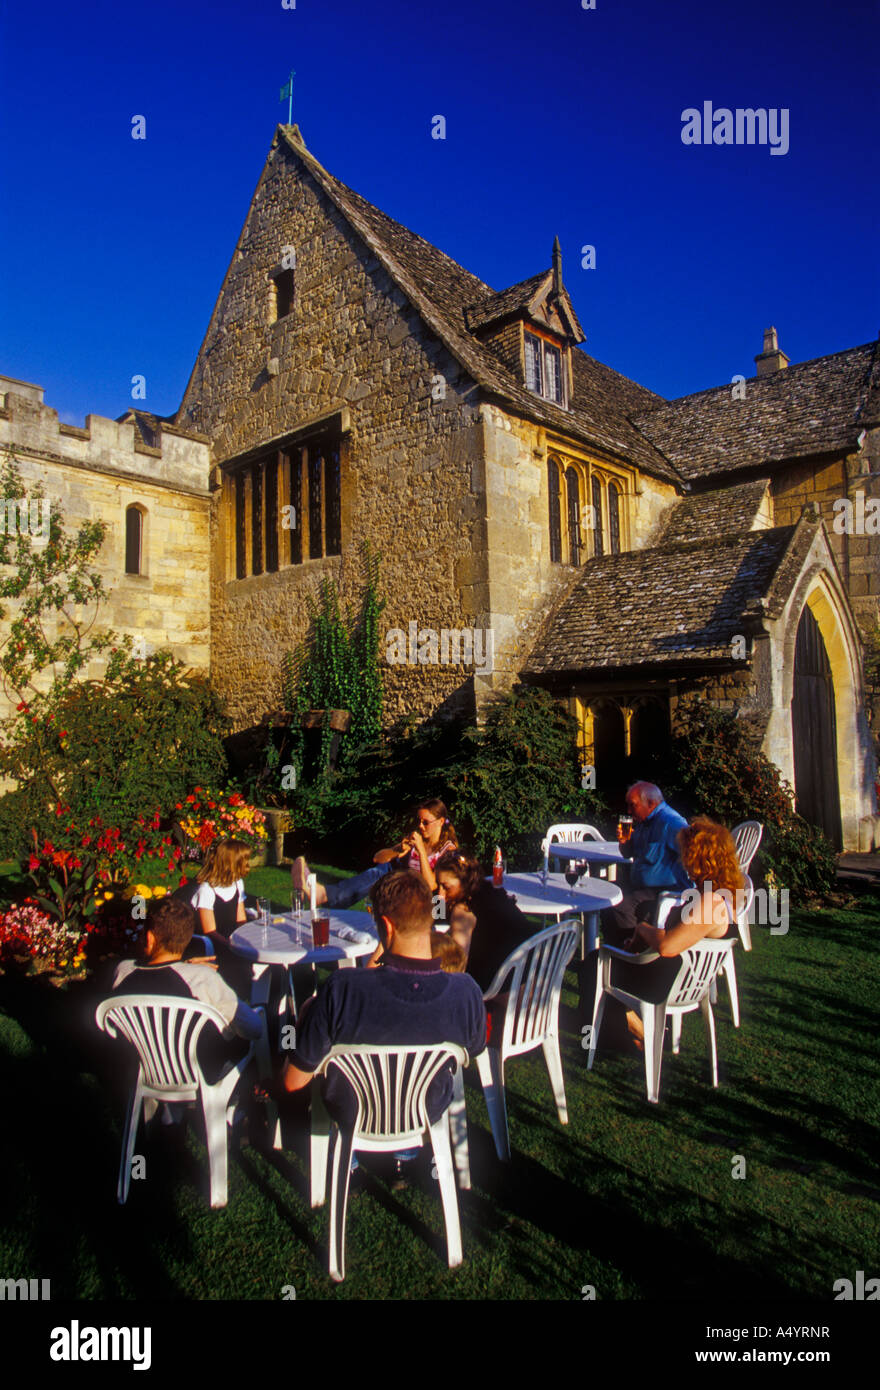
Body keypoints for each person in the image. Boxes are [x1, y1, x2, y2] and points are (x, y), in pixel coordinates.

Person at [282, 871, 486, 1146]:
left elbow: (292, 1082)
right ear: (429, 918)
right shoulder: (466, 991)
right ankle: (405, 1155)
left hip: (353, 1114)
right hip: (426, 1111)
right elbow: (474, 1048)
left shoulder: (342, 988)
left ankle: (348, 1161)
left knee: (288, 1028)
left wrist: (298, 1024)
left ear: (387, 928)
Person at [582, 816, 742, 1048]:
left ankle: (644, 1034)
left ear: (698, 857)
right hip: (685, 977)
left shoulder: (711, 901)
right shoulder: (722, 893)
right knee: (606, 960)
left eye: (685, 853)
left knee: (594, 964)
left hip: (671, 983)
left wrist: (643, 930)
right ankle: (621, 1031)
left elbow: (668, 947)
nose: (681, 859)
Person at [112, 895, 263, 1083]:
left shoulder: (123, 972)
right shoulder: (202, 979)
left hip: (142, 1073)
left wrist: (184, 965)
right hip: (200, 1075)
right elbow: (253, 1029)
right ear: (187, 938)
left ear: (150, 938)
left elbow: (158, 976)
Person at [290, 799, 458, 909]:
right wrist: (398, 850)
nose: (420, 826)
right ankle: (325, 894)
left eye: (426, 822)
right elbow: (377, 858)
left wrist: (421, 851)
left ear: (441, 822)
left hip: (426, 899)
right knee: (383, 869)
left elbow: (432, 887)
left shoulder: (448, 850)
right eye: (419, 821)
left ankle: (324, 895)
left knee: (387, 874)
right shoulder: (417, 839)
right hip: (401, 885)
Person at [433, 850, 537, 992]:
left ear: (464, 882)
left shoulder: (463, 910)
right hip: (532, 977)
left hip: (501, 985)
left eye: (446, 887)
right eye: (438, 885)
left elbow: (457, 966)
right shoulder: (492, 891)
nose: (440, 894)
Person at [604, 781, 691, 942]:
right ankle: (611, 951)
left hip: (665, 890)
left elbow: (695, 856)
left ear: (651, 803)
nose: (629, 811)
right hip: (640, 886)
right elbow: (627, 854)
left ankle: (629, 953)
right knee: (606, 893)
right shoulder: (644, 823)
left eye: (633, 805)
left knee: (621, 905)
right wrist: (624, 842)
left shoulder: (671, 823)